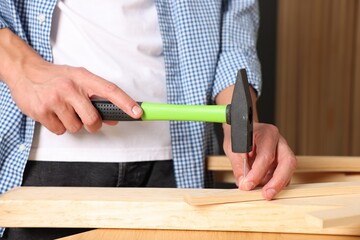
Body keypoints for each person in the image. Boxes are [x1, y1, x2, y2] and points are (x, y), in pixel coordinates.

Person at [0, 0, 297, 239]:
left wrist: (244, 124)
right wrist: (21, 68)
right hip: (45, 167)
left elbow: (234, 20)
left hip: (179, 169)